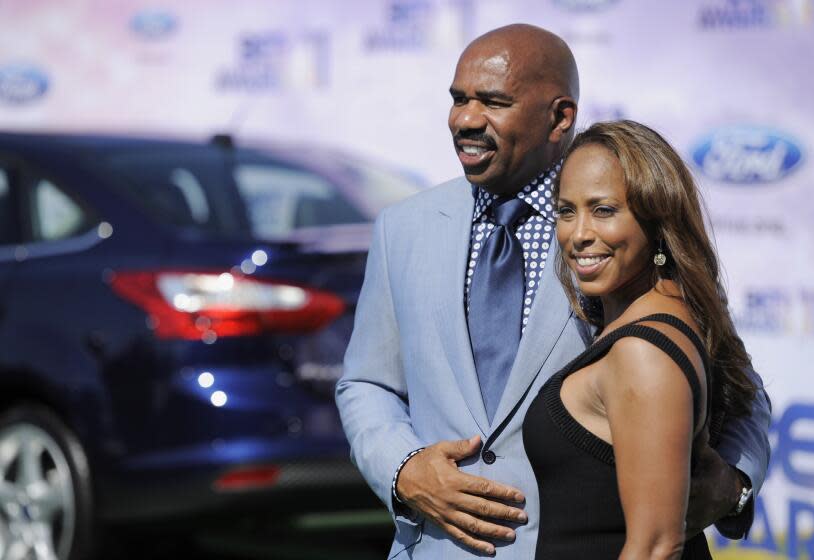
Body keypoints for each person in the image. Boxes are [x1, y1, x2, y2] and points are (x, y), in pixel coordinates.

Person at [336, 23, 771, 559]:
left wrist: (732, 487)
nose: (467, 120)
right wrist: (404, 469)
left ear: (559, 116)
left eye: (493, 101)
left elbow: (739, 390)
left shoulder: (624, 233)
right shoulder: (402, 228)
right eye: (458, 100)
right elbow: (365, 383)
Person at [523, 119, 759, 559]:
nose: (579, 235)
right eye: (566, 211)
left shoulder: (643, 351)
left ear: (656, 216)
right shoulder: (647, 319)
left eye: (604, 210)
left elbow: (655, 547)